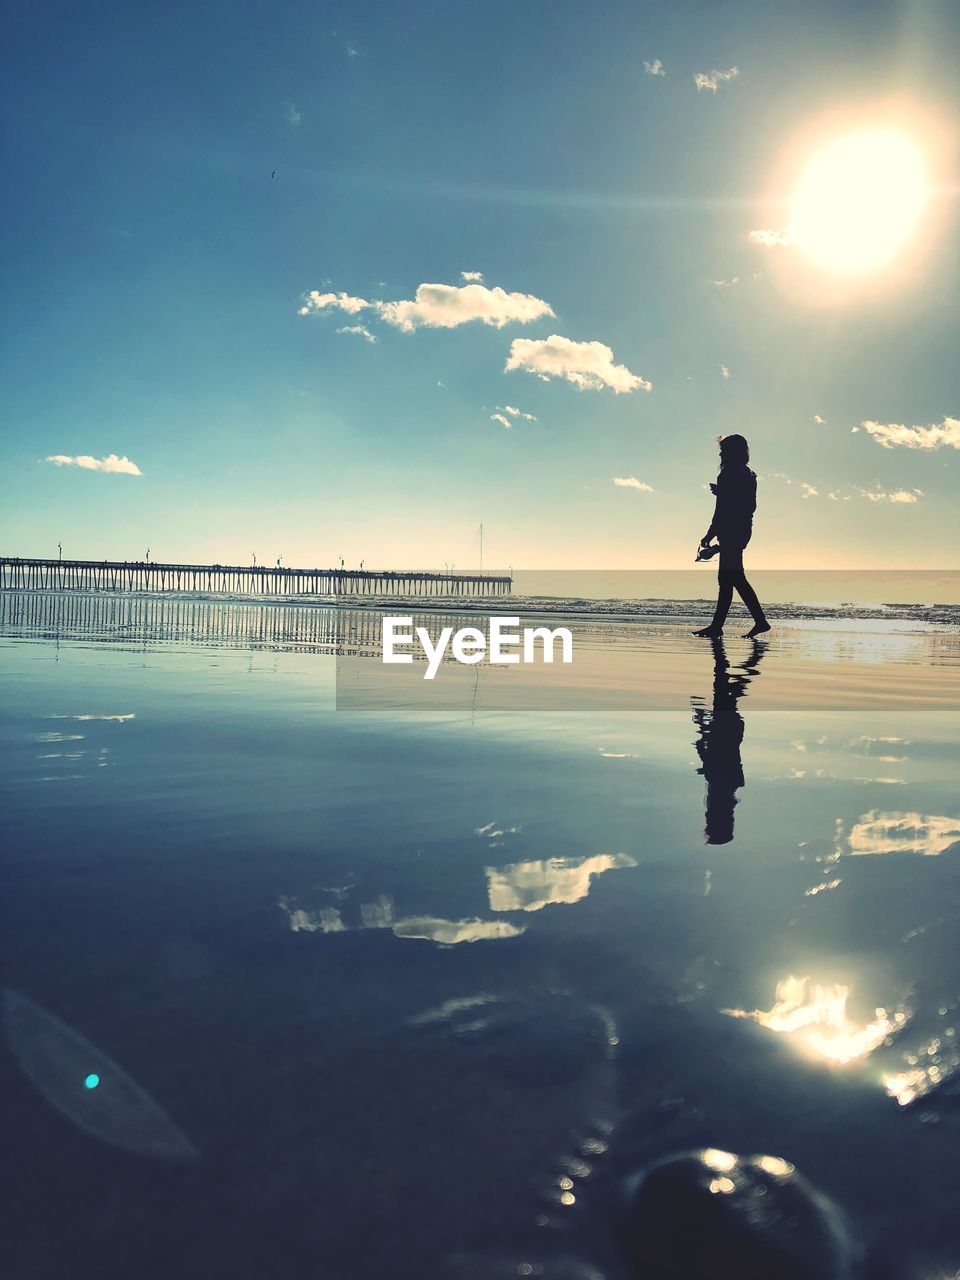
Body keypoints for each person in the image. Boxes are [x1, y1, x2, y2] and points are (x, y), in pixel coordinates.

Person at [694, 435, 770, 639]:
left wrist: (711, 532)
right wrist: (723, 492)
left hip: (730, 529)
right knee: (729, 578)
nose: (720, 453)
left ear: (730, 452)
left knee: (733, 578)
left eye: (723, 450)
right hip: (743, 529)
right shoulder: (747, 473)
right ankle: (719, 625)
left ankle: (759, 621)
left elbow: (723, 509)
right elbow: (747, 504)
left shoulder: (728, 472)